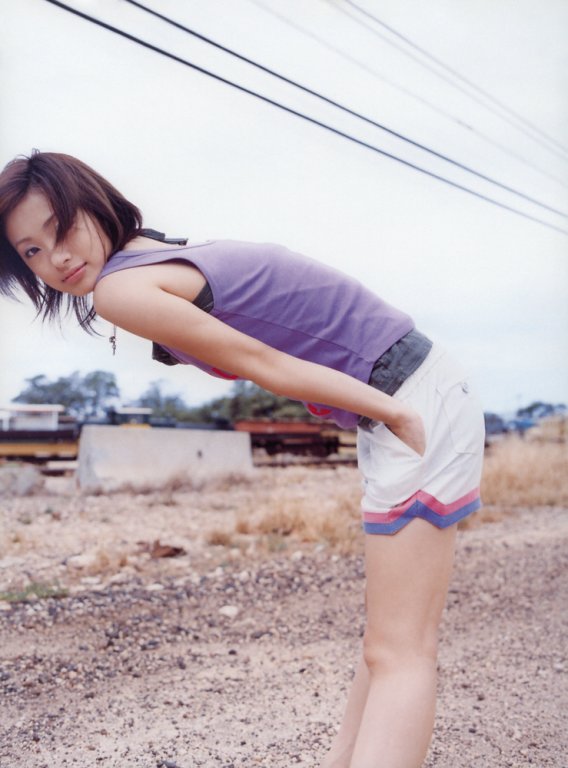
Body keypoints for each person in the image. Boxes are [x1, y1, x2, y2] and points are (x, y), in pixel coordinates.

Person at [0, 151, 485, 768]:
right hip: (402, 392)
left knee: (401, 651)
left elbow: (264, 363)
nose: (57, 258)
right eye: (32, 251)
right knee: (387, 642)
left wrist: (395, 412)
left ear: (93, 203)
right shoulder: (155, 254)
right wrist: (387, 411)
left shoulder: (122, 288)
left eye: (62, 228)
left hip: (404, 396)